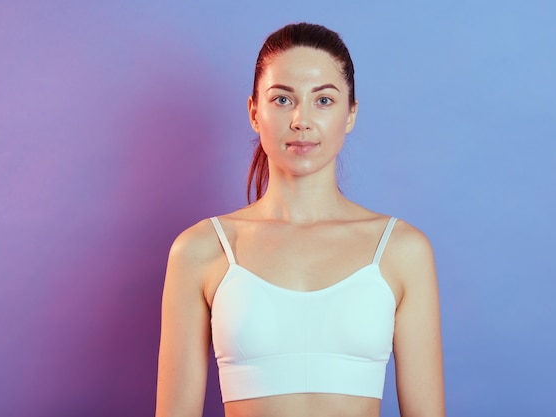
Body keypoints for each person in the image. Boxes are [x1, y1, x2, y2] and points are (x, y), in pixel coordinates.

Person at [155, 22, 445, 417]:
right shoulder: (202, 250)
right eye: (282, 100)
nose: (301, 120)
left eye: (323, 100)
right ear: (254, 112)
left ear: (351, 114)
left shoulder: (401, 250)